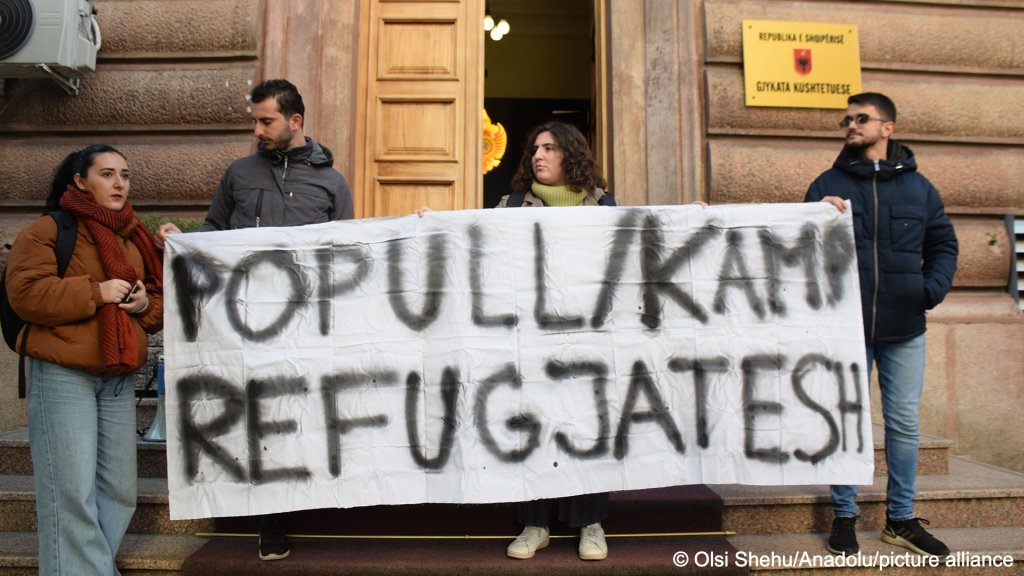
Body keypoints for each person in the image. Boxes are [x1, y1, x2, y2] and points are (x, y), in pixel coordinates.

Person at [156, 78, 354, 561]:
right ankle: (273, 522)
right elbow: (214, 233)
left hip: (309, 324)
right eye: (256, 120)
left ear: (295, 121)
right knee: (265, 416)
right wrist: (182, 239)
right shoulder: (238, 173)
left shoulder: (332, 182)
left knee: (304, 412)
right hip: (250, 322)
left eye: (266, 121)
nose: (258, 129)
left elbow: (347, 252)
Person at [805, 93, 958, 557]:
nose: (850, 125)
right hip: (845, 327)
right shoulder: (827, 183)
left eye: (860, 118)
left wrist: (926, 291)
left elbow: (944, 244)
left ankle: (902, 519)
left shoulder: (920, 189)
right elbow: (797, 252)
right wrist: (814, 219)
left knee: (904, 424)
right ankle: (845, 515)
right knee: (847, 421)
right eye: (846, 119)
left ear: (887, 128)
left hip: (904, 327)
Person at [6, 145, 164, 575]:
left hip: (116, 376)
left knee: (118, 492)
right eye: (108, 174)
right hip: (63, 375)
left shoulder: (134, 236)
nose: (119, 184)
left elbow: (158, 302)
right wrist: (95, 292)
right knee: (69, 494)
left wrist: (142, 304)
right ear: (79, 180)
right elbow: (26, 295)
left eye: (125, 175)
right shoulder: (47, 230)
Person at [498, 120, 614, 561]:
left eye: (549, 148)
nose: (538, 156)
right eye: (534, 150)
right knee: (533, 423)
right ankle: (534, 523)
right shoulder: (510, 206)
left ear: (572, 155)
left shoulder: (606, 207)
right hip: (529, 337)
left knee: (586, 424)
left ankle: (591, 522)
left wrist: (696, 220)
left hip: (587, 338)